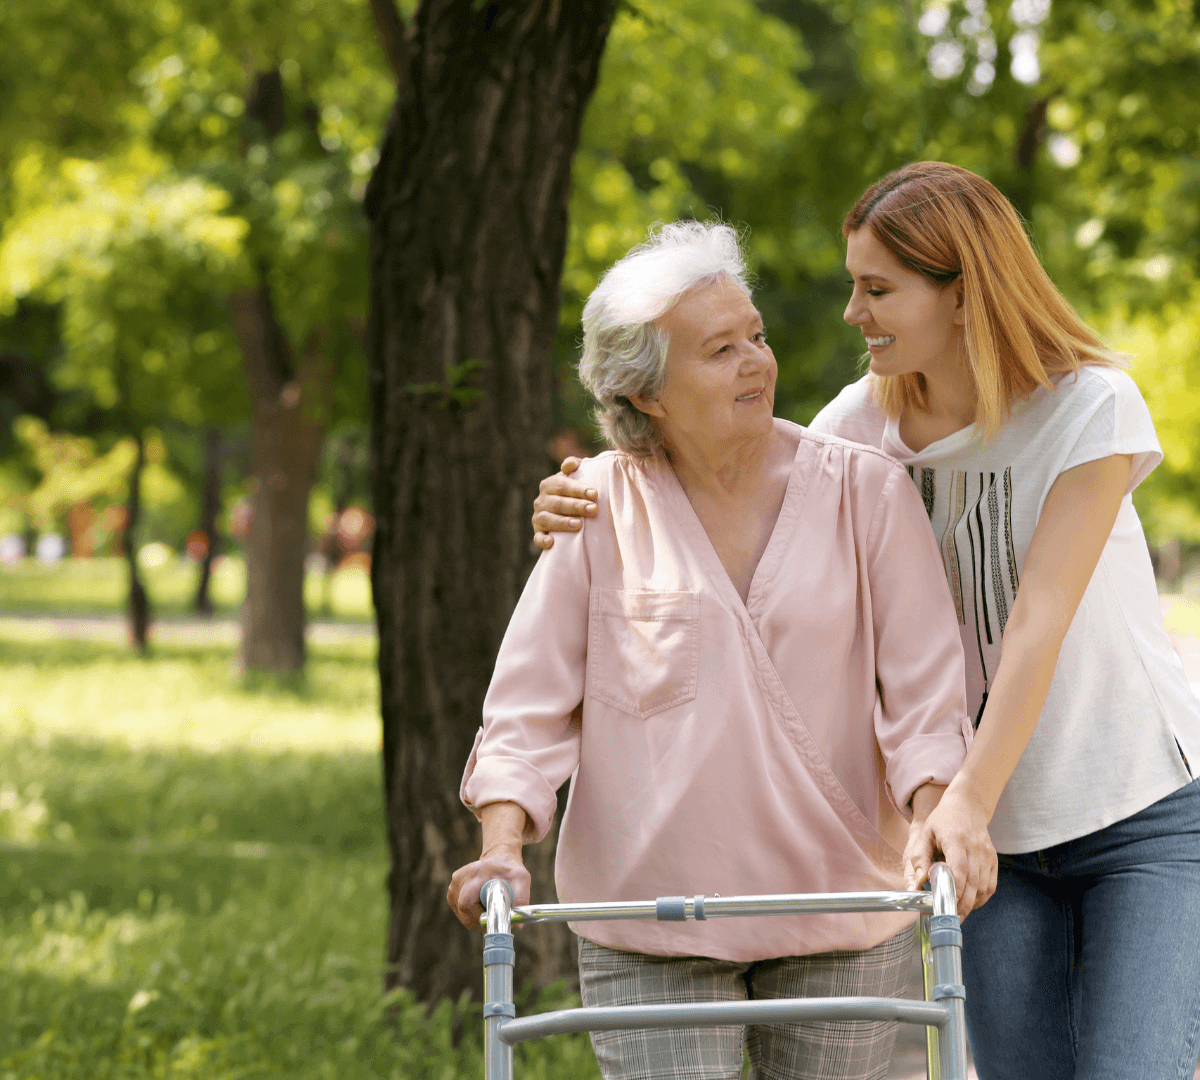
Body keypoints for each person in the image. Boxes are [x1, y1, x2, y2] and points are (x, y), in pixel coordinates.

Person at [532, 162, 1200, 1080]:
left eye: (877, 288)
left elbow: (1038, 622)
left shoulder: (1090, 406)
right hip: (985, 836)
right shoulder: (858, 424)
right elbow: (734, 477)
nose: (853, 313)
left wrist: (961, 798)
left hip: (1136, 810)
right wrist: (588, 492)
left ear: (961, 292)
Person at [448, 220, 986, 1080]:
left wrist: (934, 820)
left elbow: (923, 705)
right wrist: (503, 847)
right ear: (647, 392)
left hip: (838, 911)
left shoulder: (868, 493)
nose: (756, 362)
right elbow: (527, 706)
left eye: (757, 336)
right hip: (649, 923)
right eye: (720, 350)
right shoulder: (596, 505)